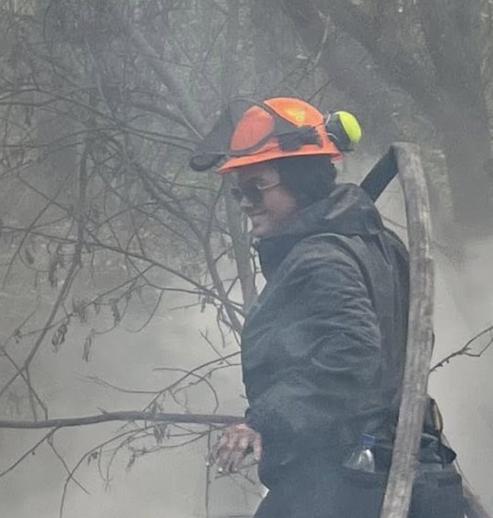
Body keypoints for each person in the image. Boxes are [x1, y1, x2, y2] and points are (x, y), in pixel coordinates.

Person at [190, 97, 465, 518]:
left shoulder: (322, 257)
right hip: (407, 477)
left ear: (300, 181)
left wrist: (263, 422)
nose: (245, 202)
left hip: (345, 489)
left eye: (257, 186)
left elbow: (352, 353)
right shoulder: (375, 243)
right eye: (238, 190)